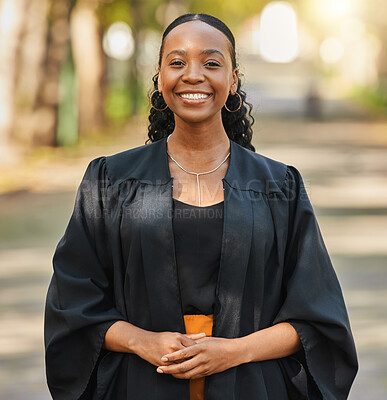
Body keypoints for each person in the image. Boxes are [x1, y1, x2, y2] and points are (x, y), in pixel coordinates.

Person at [44, 13, 358, 400]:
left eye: (211, 63)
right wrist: (142, 341)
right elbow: (72, 302)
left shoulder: (278, 187)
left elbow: (318, 318)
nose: (193, 75)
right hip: (140, 386)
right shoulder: (110, 181)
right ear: (159, 77)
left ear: (234, 80)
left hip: (252, 387)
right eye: (177, 62)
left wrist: (233, 351)